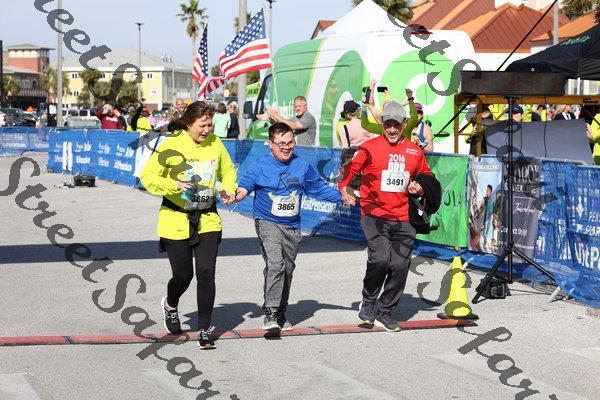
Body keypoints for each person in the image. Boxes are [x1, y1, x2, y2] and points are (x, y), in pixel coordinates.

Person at [234, 122, 351, 331]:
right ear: (270, 144)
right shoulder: (260, 165)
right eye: (281, 144)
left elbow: (318, 188)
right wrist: (234, 196)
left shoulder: (301, 165)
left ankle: (281, 310)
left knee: (287, 269)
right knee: (275, 264)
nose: (287, 147)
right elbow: (244, 186)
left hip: (291, 225)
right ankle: (270, 312)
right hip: (267, 221)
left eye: (290, 143)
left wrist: (341, 197)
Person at [140, 101, 237, 350]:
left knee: (206, 272)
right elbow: (148, 177)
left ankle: (204, 328)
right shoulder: (171, 145)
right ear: (188, 123)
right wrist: (175, 185)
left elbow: (227, 171)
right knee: (183, 276)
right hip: (175, 219)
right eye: (202, 125)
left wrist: (227, 189)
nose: (207, 130)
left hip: (207, 218)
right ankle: (170, 304)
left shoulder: (215, 143)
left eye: (210, 125)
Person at [339, 100, 433, 331]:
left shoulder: (414, 151)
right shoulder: (369, 148)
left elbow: (427, 176)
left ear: (404, 124)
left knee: (400, 265)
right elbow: (349, 170)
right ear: (382, 124)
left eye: (396, 125)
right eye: (388, 124)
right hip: (374, 215)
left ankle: (385, 311)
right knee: (380, 259)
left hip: (403, 217)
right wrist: (344, 189)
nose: (392, 129)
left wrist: (420, 186)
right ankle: (368, 301)